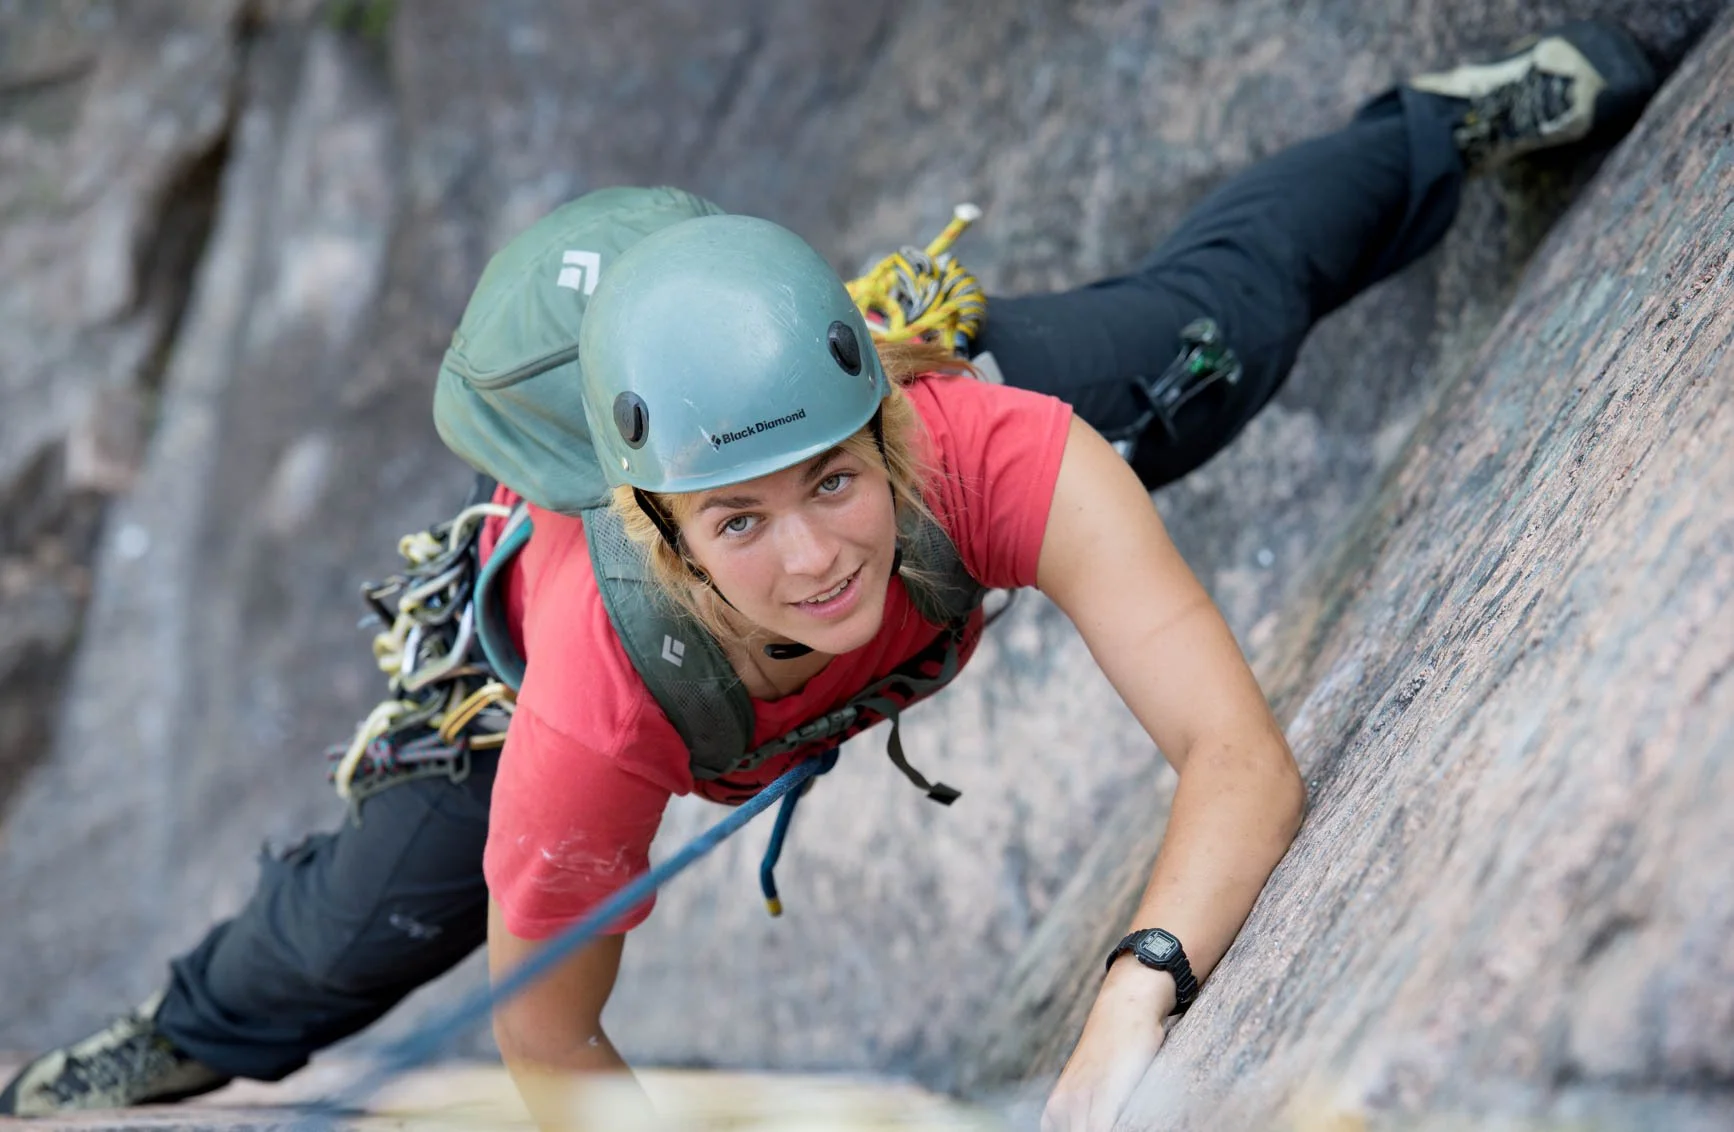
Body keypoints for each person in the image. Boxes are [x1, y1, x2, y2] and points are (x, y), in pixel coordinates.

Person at [0, 20, 1656, 1131]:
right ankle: (144, 1057)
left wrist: (1131, 1005)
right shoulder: (585, 711)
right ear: (647, 526)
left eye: (831, 485)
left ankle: (1447, 120)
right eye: (739, 522)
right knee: (343, 940)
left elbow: (1237, 759)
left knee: (1229, 314)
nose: (819, 559)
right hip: (587, 671)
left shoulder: (982, 445)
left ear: (877, 408)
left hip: (833, 413)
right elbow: (553, 1048)